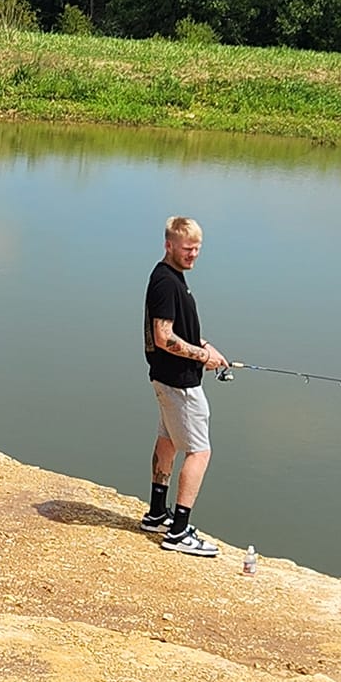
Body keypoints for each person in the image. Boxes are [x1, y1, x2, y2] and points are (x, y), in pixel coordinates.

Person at [141, 215, 229, 556]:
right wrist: (199, 357)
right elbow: (164, 337)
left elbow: (180, 331)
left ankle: (156, 513)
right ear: (169, 245)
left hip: (168, 379)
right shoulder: (165, 282)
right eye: (187, 248)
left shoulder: (171, 277)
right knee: (199, 451)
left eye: (197, 249)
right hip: (179, 382)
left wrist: (205, 347)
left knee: (168, 440)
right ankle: (178, 532)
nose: (193, 254)